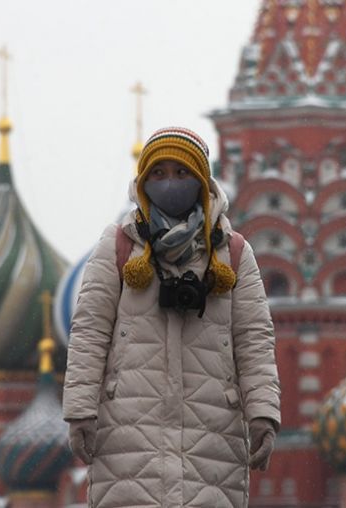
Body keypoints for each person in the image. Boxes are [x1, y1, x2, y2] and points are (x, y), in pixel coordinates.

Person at [62, 127, 281, 508]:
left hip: (211, 433)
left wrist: (263, 412)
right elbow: (89, 332)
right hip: (129, 430)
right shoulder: (119, 246)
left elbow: (254, 340)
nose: (170, 183)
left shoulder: (231, 253)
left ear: (202, 181)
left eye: (182, 173)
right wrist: (79, 411)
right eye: (158, 173)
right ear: (144, 182)